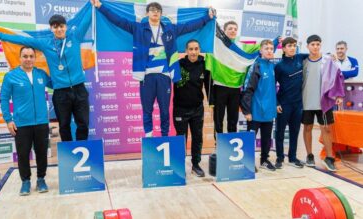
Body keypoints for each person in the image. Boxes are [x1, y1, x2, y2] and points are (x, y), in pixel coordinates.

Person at [92, 0, 215, 137]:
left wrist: (207, 17)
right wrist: (100, 6)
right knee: (147, 110)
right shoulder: (138, 28)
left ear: (161, 14)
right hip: (146, 76)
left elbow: (190, 26)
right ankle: (149, 137)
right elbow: (118, 20)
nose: (155, 12)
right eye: (152, 10)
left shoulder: (170, 29)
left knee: (164, 111)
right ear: (147, 13)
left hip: (164, 75)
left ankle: (164, 137)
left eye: (158, 10)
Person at [0, 11, 91, 141]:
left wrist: (93, 5)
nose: (59, 29)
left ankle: (82, 148)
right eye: (55, 27)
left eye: (61, 26)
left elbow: (86, 22)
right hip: (61, 92)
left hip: (79, 89)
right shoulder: (46, 43)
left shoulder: (75, 36)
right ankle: (70, 157)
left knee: (83, 124)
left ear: (65, 27)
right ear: (51, 29)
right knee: (64, 126)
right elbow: (23, 40)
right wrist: (0, 35)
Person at [212, 21, 280, 137]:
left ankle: (230, 142)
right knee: (218, 118)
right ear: (224, 30)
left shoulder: (242, 46)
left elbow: (261, 49)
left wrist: (277, 41)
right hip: (220, 86)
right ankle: (217, 145)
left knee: (232, 118)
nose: (233, 30)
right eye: (230, 28)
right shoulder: (216, 44)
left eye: (235, 28)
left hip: (235, 87)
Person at [0, 47, 52, 195]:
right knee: (23, 154)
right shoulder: (11, 76)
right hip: (22, 123)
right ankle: (26, 181)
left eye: (31, 56)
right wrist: (8, 120)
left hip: (41, 122)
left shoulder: (41, 74)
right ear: (20, 57)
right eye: (25, 56)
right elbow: (4, 99)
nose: (28, 59)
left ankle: (41, 179)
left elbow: (57, 84)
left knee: (42, 153)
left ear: (35, 58)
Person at [302, 35, 345, 172]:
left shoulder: (328, 60)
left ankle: (329, 158)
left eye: (318, 44)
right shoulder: (303, 61)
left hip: (323, 102)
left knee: (326, 129)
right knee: (307, 128)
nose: (315, 47)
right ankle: (309, 156)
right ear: (307, 46)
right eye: (313, 44)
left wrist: (339, 94)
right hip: (306, 101)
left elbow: (338, 76)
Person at [173, 39, 211, 177]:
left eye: (196, 49)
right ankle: (179, 166)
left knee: (197, 138)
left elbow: (208, 86)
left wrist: (211, 103)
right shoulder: (177, 65)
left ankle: (196, 165)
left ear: (199, 50)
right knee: (180, 139)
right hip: (180, 109)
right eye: (191, 49)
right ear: (186, 51)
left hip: (197, 109)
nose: (193, 52)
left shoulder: (205, 65)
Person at [241, 39, 277, 171]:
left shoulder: (273, 66)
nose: (269, 51)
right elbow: (247, 89)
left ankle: (264, 160)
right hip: (255, 111)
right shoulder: (256, 66)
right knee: (250, 138)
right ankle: (247, 161)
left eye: (271, 48)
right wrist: (247, 111)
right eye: (266, 48)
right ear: (260, 50)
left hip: (269, 111)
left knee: (267, 139)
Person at [274, 37, 308, 169]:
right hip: (284, 104)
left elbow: (314, 55)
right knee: (280, 132)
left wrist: (330, 56)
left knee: (295, 131)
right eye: (289, 46)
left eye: (294, 45)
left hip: (298, 104)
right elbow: (272, 85)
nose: (292, 48)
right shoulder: (279, 66)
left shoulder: (300, 58)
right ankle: (279, 158)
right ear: (283, 48)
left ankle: (292, 157)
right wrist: (277, 103)